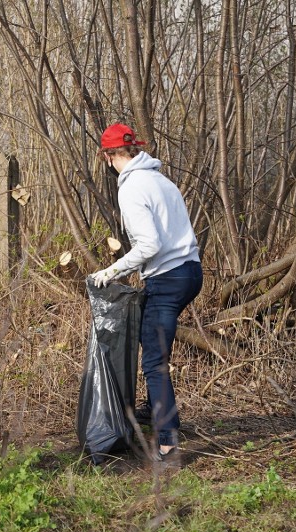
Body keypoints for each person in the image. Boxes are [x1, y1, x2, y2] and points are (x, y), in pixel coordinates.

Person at [90, 123, 202, 462]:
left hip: (168, 279)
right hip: (190, 271)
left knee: (154, 360)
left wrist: (111, 271)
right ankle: (159, 412)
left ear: (108, 157)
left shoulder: (132, 187)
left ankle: (168, 446)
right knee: (152, 345)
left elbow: (150, 244)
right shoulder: (159, 179)